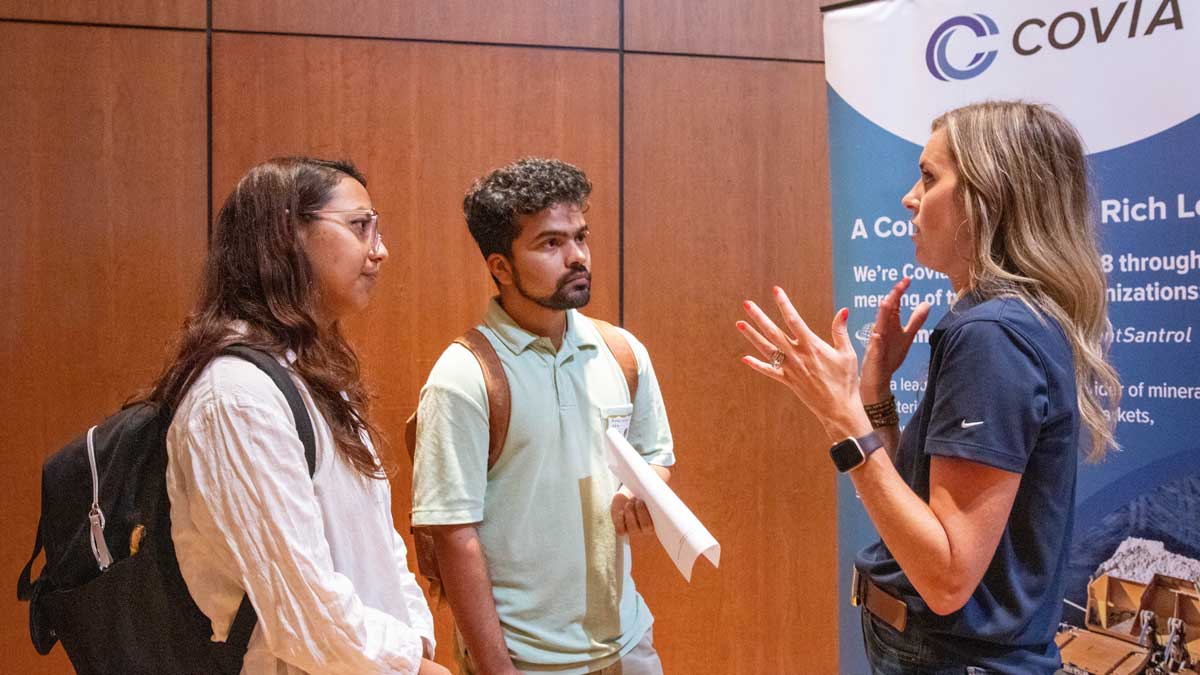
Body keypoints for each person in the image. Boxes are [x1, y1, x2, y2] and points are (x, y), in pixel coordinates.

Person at [737, 102, 1120, 674]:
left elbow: (945, 578)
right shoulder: (1000, 318)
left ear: (989, 197)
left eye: (929, 177)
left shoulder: (992, 332)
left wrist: (841, 419)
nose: (909, 198)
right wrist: (874, 393)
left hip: (949, 657)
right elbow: (916, 517)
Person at [147, 157, 447, 674]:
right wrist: (411, 664)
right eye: (360, 227)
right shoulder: (235, 398)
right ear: (287, 236)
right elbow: (300, 608)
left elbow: (379, 541)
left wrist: (416, 641)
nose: (380, 250)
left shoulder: (310, 372)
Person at [411, 158, 674, 675]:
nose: (577, 257)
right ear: (500, 267)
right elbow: (452, 537)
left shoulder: (620, 352)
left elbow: (656, 459)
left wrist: (644, 489)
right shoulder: (463, 376)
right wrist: (497, 668)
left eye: (580, 236)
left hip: (629, 645)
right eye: (550, 244)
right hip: (526, 661)